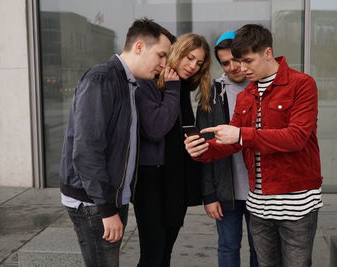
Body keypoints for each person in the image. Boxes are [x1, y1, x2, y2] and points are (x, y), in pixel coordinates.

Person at [185, 24, 323, 267]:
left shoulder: (302, 84)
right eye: (238, 61)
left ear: (267, 53)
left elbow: (296, 137)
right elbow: (231, 144)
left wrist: (240, 134)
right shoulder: (247, 94)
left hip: (297, 204)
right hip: (259, 205)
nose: (242, 68)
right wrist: (203, 151)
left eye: (248, 60)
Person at [59, 18, 175, 267]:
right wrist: (106, 209)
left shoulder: (127, 83)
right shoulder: (103, 79)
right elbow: (86, 151)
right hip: (93, 203)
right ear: (140, 47)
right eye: (162, 55)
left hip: (108, 199)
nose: (164, 65)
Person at [134, 33, 211, 267]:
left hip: (176, 180)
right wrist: (172, 89)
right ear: (176, 53)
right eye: (189, 58)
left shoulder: (182, 86)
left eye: (199, 63)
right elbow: (155, 130)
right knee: (152, 254)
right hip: (151, 180)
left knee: (166, 252)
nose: (192, 66)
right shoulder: (150, 82)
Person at [195, 31, 258, 267]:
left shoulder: (261, 87)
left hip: (260, 190)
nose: (232, 67)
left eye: (236, 59)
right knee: (228, 246)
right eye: (225, 63)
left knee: (260, 250)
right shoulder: (211, 94)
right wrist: (209, 196)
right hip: (226, 190)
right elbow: (204, 147)